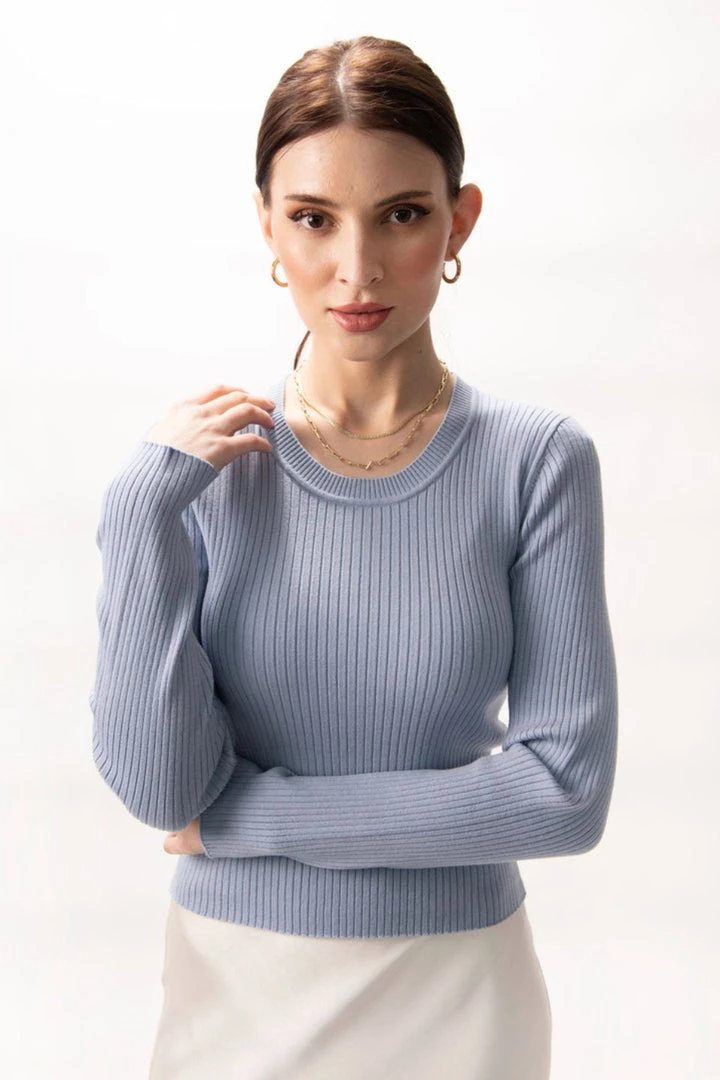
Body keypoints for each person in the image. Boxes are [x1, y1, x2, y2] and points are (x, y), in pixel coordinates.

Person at [89, 35, 618, 1080]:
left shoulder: (536, 461)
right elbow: (158, 791)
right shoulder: (201, 472)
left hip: (459, 992)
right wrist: (138, 512)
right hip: (233, 992)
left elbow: (564, 794)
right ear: (267, 224)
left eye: (403, 215)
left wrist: (248, 820)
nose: (358, 269)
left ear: (460, 220)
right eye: (314, 218)